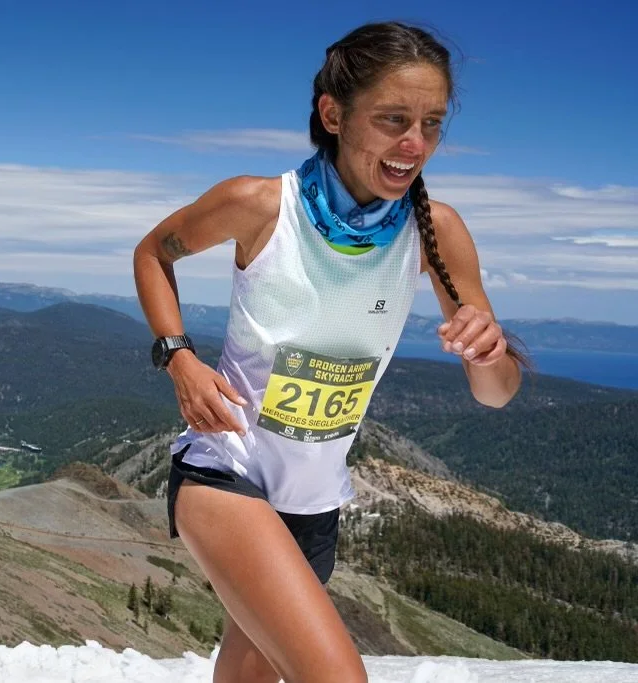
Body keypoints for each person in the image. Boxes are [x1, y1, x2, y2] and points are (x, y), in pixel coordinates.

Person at [132, 21, 528, 683]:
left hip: (314, 503)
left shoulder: (439, 234)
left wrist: (490, 356)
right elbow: (152, 252)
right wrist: (179, 356)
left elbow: (496, 392)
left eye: (431, 123)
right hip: (224, 468)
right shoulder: (258, 204)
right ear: (333, 113)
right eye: (393, 119)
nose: (414, 145)